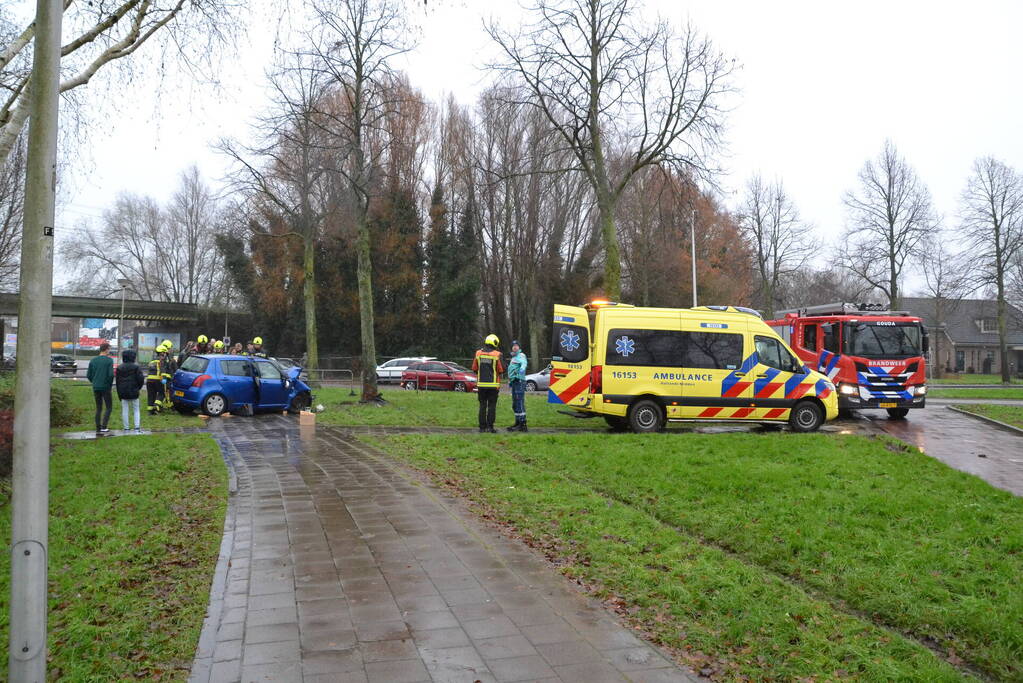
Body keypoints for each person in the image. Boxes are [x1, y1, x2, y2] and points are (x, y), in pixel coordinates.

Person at [471, 334, 504, 433]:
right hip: (493, 386)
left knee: (482, 406)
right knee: (491, 406)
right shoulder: (497, 355)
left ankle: (482, 428)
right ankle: (490, 427)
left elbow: (474, 368)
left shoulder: (478, 353)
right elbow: (502, 369)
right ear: (495, 343)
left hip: (481, 385)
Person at [87, 342, 115, 435]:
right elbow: (111, 375)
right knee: (109, 407)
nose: (109, 351)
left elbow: (89, 375)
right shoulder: (109, 360)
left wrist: (94, 382)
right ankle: (104, 427)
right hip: (106, 387)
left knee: (99, 408)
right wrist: (109, 384)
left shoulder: (93, 360)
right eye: (109, 349)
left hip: (96, 386)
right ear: (106, 349)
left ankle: (98, 427)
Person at [115, 349, 146, 434]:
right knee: (136, 409)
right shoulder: (136, 367)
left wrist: (119, 393)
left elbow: (117, 382)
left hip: (123, 392)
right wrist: (138, 388)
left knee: (125, 410)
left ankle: (126, 428)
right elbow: (141, 379)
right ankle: (137, 428)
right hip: (134, 391)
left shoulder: (119, 368)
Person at [506, 340, 528, 432]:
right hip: (514, 381)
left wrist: (522, 369)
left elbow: (524, 363)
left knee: (519, 402)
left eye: (516, 345)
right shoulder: (514, 357)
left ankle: (523, 424)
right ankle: (517, 422)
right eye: (513, 346)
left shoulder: (521, 355)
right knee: (515, 403)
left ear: (519, 347)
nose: (515, 347)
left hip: (519, 381)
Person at [146, 341, 174, 414]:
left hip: (149, 381)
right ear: (162, 353)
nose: (165, 354)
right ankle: (157, 405)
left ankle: (150, 410)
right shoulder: (162, 361)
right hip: (158, 380)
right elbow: (163, 370)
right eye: (165, 353)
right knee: (162, 393)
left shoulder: (152, 361)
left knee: (151, 395)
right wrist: (164, 378)